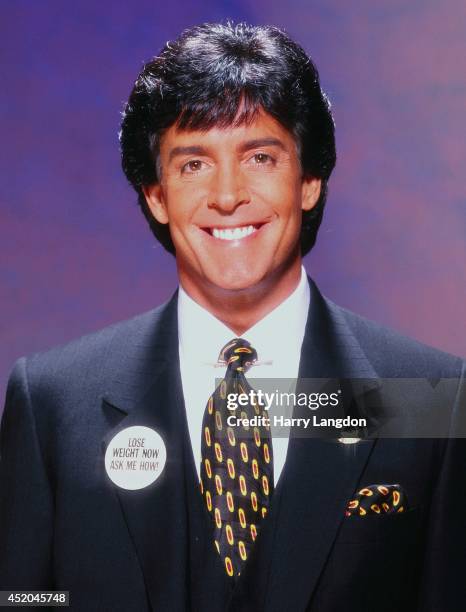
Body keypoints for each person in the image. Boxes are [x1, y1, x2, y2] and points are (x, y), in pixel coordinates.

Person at [0, 22, 465, 612]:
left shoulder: (429, 396)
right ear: (156, 195)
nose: (227, 195)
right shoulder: (52, 403)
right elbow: (21, 599)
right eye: (193, 164)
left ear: (310, 180)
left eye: (260, 157)